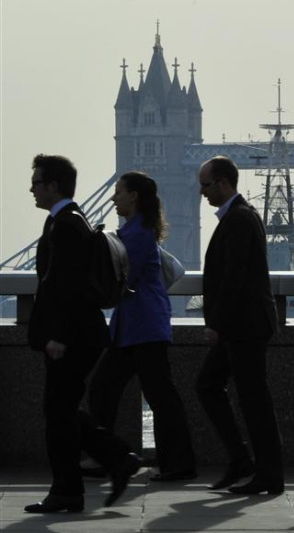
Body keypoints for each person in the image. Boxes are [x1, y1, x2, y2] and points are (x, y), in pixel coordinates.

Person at [25, 154, 141, 513]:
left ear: (53, 186)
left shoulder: (67, 225)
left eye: (37, 182)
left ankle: (70, 488)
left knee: (59, 412)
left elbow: (69, 288)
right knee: (63, 409)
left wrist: (58, 336)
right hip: (80, 334)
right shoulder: (66, 221)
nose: (31, 188)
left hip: (73, 337)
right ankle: (111, 462)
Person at [88, 171, 196, 482]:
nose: (113, 197)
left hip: (144, 327)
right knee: (106, 389)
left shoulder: (137, 235)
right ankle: (109, 457)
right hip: (132, 328)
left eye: (119, 192)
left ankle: (178, 464)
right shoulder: (132, 231)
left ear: (133, 196)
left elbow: (120, 278)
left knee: (158, 397)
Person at [196, 156, 284, 494]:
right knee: (209, 386)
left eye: (205, 185)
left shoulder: (240, 220)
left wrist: (216, 323)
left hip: (243, 327)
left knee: (254, 401)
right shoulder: (237, 217)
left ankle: (268, 473)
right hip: (239, 325)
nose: (201, 193)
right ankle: (242, 461)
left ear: (222, 183)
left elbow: (234, 278)